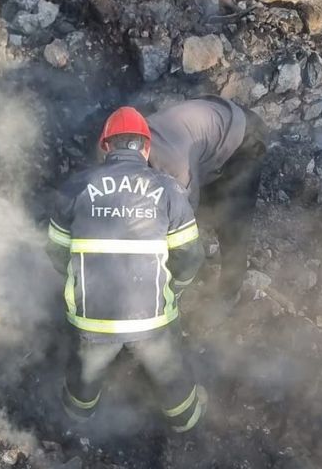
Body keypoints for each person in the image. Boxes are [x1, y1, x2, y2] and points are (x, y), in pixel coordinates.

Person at [45, 106, 208, 433]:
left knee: (85, 372)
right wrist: (175, 289)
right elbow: (190, 256)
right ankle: (185, 418)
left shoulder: (73, 189)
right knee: (168, 369)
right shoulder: (169, 190)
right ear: (146, 148)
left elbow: (56, 253)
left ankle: (78, 418)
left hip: (92, 317)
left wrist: (79, 280)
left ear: (105, 147)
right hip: (151, 319)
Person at [144, 96, 267, 309]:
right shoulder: (111, 155)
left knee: (231, 224)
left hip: (244, 138)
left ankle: (228, 295)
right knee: (198, 210)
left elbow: (183, 225)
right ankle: (198, 269)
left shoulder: (175, 167)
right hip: (206, 135)